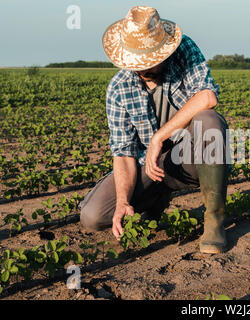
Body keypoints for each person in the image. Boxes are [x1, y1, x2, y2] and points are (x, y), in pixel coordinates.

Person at [79, 6, 229, 254]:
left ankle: (215, 222)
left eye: (147, 61)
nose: (141, 69)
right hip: (147, 168)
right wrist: (123, 202)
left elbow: (207, 97)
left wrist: (160, 136)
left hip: (187, 159)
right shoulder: (118, 88)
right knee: (93, 216)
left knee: (210, 121)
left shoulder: (183, 52)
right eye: (136, 62)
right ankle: (154, 200)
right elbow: (123, 152)